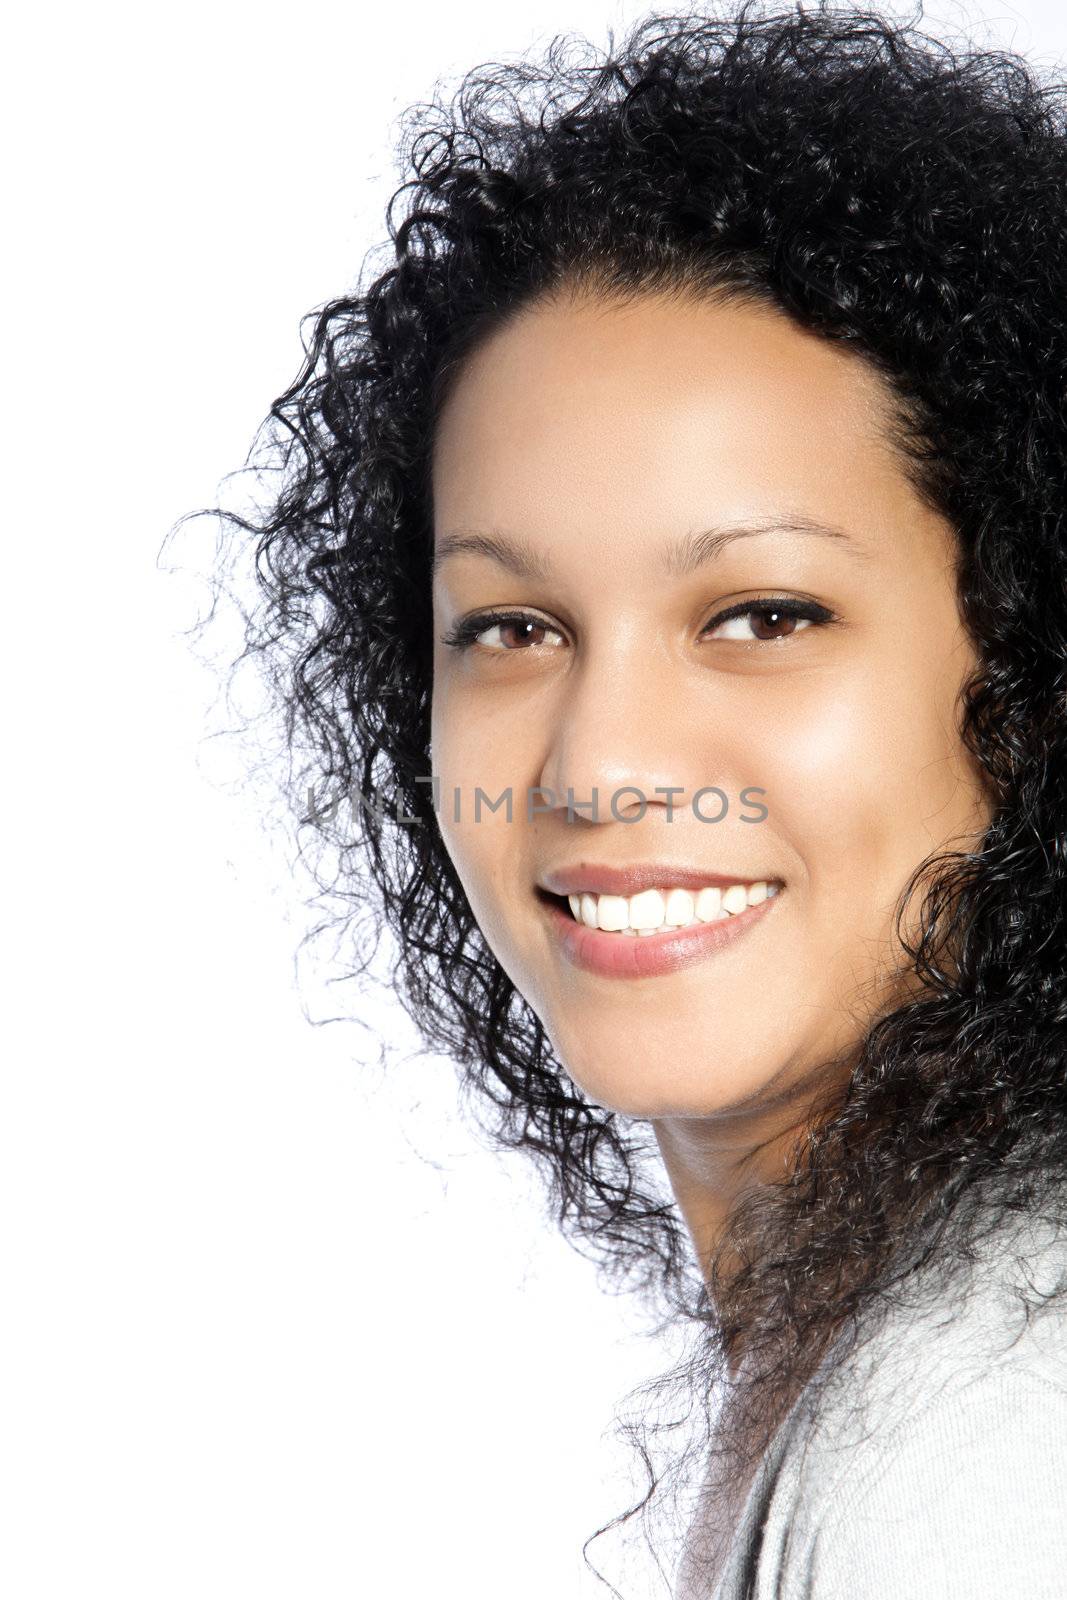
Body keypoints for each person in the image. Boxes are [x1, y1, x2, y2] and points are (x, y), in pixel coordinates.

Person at [200, 3, 1067, 1593]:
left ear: (1028, 666)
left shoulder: (981, 1439)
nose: (599, 764)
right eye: (512, 629)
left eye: (762, 616)